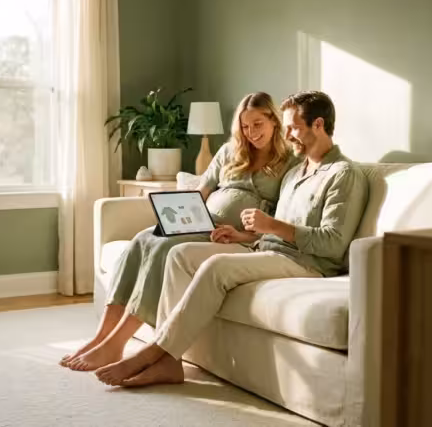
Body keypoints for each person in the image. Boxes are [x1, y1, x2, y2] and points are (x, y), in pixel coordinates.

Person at [94, 90, 369, 387]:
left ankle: (155, 351)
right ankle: (170, 362)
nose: (289, 135)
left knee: (215, 267)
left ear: (318, 125)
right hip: (264, 248)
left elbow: (334, 244)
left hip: (306, 262)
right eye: (287, 127)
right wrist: (247, 234)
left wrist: (271, 226)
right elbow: (267, 225)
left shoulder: (343, 174)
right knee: (179, 254)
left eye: (293, 127)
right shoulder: (298, 171)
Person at [59, 92, 298, 371]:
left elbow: (282, 219)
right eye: (245, 126)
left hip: (231, 235)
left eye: (258, 124)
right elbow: (201, 190)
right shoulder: (230, 152)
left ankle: (117, 344)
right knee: (141, 239)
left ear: (273, 121)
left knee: (162, 248)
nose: (251, 133)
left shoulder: (290, 162)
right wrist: (182, 214)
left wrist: (243, 235)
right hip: (202, 221)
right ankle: (101, 338)